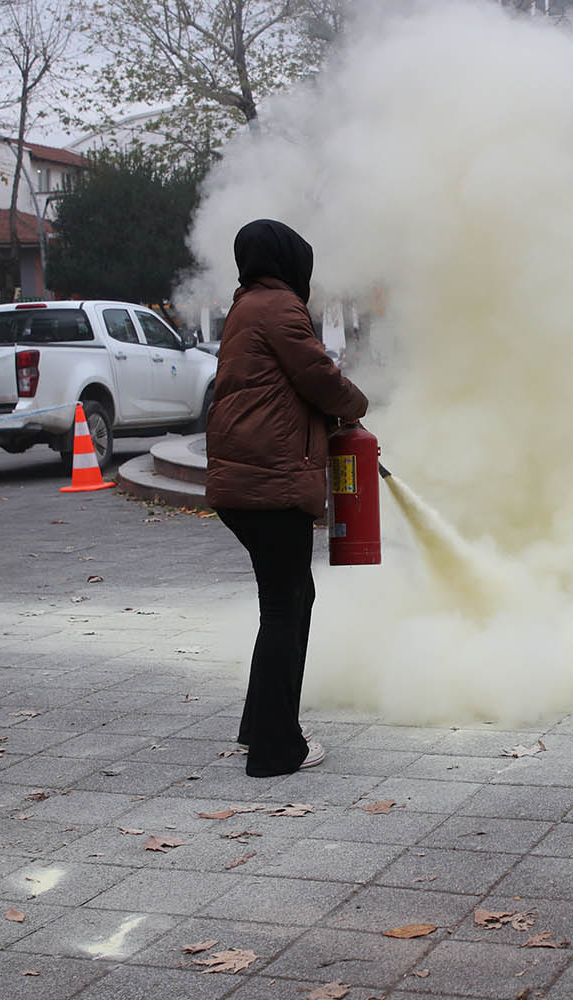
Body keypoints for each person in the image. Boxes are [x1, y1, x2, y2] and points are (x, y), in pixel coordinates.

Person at [206, 219, 368, 778]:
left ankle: (260, 726)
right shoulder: (278, 306)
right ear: (290, 261)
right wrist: (356, 403)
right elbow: (317, 377)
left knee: (290, 601)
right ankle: (277, 748)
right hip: (269, 484)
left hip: (246, 481)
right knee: (286, 607)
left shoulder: (246, 304)